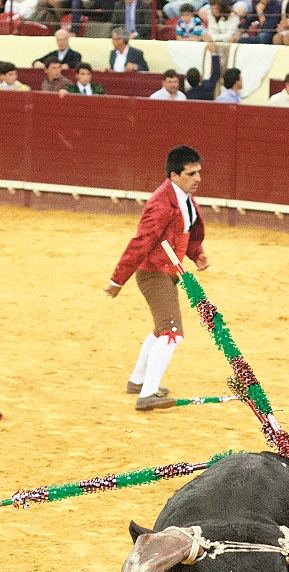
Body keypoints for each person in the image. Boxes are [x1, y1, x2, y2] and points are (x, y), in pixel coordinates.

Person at [106, 145, 208, 412]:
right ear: (174, 175)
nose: (198, 178)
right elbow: (141, 242)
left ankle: (138, 381)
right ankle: (148, 394)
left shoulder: (183, 196)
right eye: (191, 173)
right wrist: (118, 281)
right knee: (172, 332)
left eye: (199, 172)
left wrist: (196, 254)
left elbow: (186, 232)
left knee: (161, 327)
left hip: (168, 271)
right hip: (154, 273)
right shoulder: (162, 203)